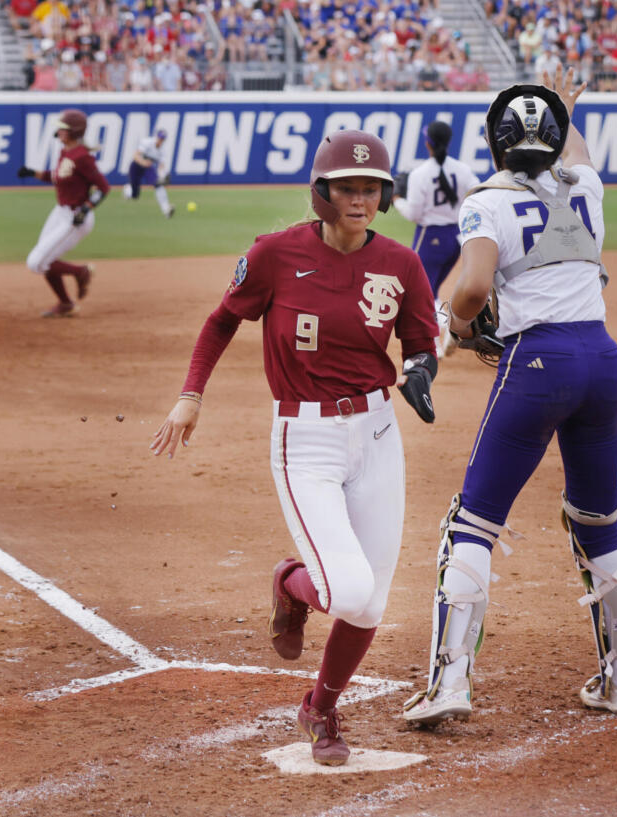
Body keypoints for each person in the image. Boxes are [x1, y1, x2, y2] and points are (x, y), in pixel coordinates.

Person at [149, 130, 439, 766]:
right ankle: (289, 581)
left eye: (370, 188)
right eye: (346, 187)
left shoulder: (402, 263)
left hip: (379, 433)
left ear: (385, 194)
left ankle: (320, 708)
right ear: (322, 192)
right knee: (346, 591)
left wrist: (420, 371)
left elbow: (420, 342)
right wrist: (191, 394)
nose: (359, 198)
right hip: (304, 439)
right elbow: (222, 319)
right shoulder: (275, 255)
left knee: (372, 602)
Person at [401, 66, 617, 727]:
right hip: (602, 357)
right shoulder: (588, 189)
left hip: (537, 360)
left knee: (474, 520)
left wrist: (456, 325)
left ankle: (450, 682)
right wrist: (562, 108)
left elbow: (473, 287)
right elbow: (578, 153)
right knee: (598, 518)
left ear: (497, 145)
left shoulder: (489, 200)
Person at [392, 120, 480, 357]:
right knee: (431, 291)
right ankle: (447, 327)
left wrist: (397, 199)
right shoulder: (461, 169)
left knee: (420, 295)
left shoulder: (421, 174)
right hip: (456, 238)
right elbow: (477, 193)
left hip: (430, 238)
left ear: (427, 143)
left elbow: (414, 214)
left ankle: (436, 342)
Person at [16, 109, 108, 317]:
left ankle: (80, 272)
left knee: (36, 262)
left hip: (75, 218)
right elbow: (57, 177)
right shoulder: (65, 151)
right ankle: (66, 303)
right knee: (45, 257)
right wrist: (33, 173)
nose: (59, 131)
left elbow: (103, 187)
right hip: (60, 213)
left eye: (63, 128)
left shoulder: (83, 157)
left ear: (73, 131)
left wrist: (86, 209)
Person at [122, 129, 175, 218]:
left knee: (157, 184)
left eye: (163, 139)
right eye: (160, 138)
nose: (161, 141)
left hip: (148, 168)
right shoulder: (147, 142)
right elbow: (135, 156)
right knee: (135, 195)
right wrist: (143, 162)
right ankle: (128, 190)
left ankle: (166, 209)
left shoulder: (163, 150)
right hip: (136, 166)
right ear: (156, 137)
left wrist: (162, 175)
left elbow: (161, 165)